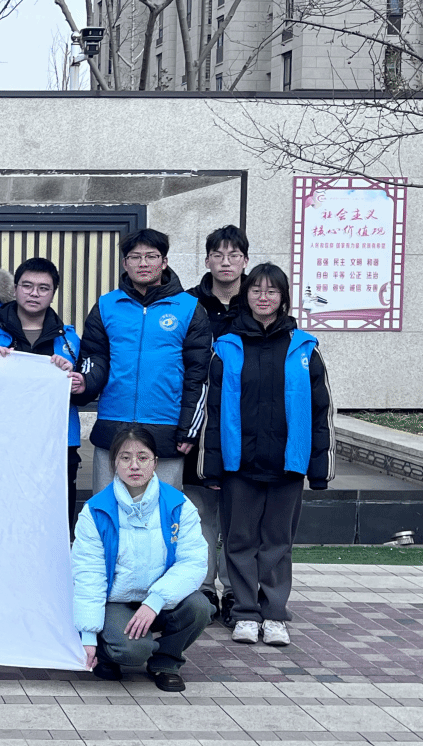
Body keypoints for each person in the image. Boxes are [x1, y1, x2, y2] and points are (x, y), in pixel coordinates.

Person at [201, 263, 334, 648]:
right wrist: (212, 467)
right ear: (246, 296)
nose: (263, 297)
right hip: (239, 465)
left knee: (277, 543)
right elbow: (212, 412)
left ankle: (274, 614)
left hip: (287, 464)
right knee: (240, 541)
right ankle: (245, 612)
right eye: (256, 290)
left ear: (283, 298)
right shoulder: (227, 347)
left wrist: (320, 467)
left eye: (271, 291)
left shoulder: (303, 348)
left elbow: (322, 411)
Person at [72, 426, 211, 692]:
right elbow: (89, 573)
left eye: (143, 457)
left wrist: (156, 600)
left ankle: (166, 662)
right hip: (115, 602)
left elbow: (192, 562)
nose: (134, 465)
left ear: (155, 462)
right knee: (133, 651)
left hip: (160, 601)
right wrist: (88, 635)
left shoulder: (178, 505)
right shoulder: (96, 511)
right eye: (125, 458)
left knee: (199, 607)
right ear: (114, 463)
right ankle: (109, 652)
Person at [77, 228, 212, 493]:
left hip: (166, 429)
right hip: (113, 424)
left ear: (164, 262)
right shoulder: (106, 306)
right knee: (108, 510)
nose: (143, 263)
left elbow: (199, 375)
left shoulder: (189, 308)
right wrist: (85, 383)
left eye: (151, 256)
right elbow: (94, 359)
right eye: (135, 257)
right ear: (125, 263)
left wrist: (188, 429)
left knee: (162, 512)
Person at [0, 258, 85, 538]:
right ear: (15, 288)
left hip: (58, 442)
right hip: (3, 441)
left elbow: (85, 387)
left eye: (43, 288)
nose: (34, 293)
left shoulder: (70, 340)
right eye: (27, 286)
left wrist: (73, 378)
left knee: (56, 522)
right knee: (3, 516)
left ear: (53, 293)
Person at [183, 225, 249, 625]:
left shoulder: (257, 300)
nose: (226, 262)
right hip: (200, 420)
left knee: (238, 515)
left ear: (245, 260)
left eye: (234, 255)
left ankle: (239, 591)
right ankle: (204, 588)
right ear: (207, 259)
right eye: (218, 254)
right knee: (201, 512)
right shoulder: (189, 303)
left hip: (244, 422)